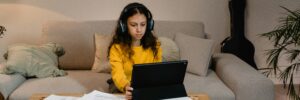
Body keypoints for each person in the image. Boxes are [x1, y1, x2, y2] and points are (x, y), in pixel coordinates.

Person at [107, 2, 162, 100]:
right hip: (122, 85)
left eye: (143, 24)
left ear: (149, 25)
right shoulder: (116, 48)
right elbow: (117, 73)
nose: (139, 29)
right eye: (133, 25)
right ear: (124, 25)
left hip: (146, 85)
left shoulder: (155, 46)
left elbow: (156, 72)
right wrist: (126, 87)